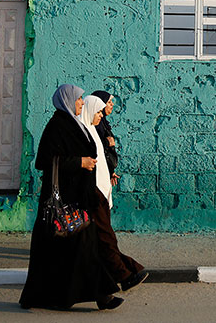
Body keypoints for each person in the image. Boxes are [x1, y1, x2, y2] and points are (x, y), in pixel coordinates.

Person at [19, 84, 123, 310]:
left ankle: (97, 296)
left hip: (78, 197)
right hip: (62, 201)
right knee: (72, 249)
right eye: (78, 99)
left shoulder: (74, 123)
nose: (82, 103)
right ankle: (100, 296)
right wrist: (80, 162)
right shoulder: (57, 126)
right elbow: (44, 161)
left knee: (80, 250)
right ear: (67, 101)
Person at [85, 92, 148, 291]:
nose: (102, 114)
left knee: (102, 239)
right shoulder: (87, 132)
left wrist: (110, 171)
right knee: (105, 237)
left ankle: (123, 275)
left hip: (102, 189)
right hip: (94, 193)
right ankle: (127, 272)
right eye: (102, 108)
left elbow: (104, 158)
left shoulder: (95, 129)